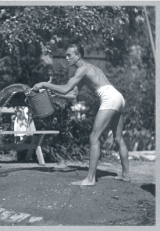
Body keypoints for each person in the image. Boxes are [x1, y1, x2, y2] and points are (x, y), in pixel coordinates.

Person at [32, 44, 131, 186]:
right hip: (118, 98)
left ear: (78, 56)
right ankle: (126, 175)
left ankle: (90, 179)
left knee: (94, 137)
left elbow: (66, 89)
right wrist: (52, 94)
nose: (66, 58)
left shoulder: (81, 69)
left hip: (110, 99)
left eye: (69, 55)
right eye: (66, 55)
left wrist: (43, 84)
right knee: (118, 138)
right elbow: (72, 95)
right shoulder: (89, 69)